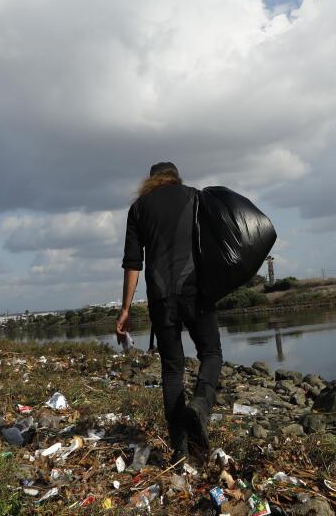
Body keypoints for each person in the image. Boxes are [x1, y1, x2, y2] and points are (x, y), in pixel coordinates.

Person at [116, 161, 221, 461]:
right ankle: (201, 405)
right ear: (175, 178)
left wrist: (125, 309)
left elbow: (133, 263)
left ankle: (180, 447)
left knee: (172, 370)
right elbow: (211, 245)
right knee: (211, 353)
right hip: (195, 292)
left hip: (160, 298)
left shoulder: (138, 209)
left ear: (151, 181)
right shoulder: (195, 197)